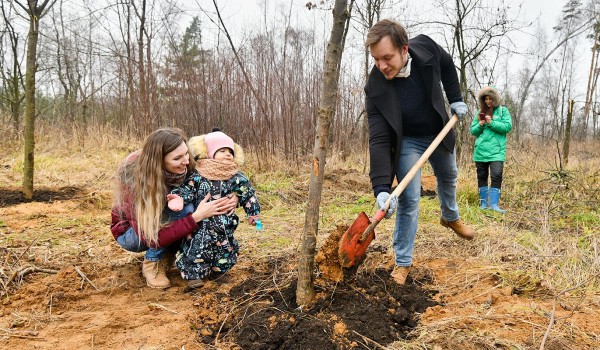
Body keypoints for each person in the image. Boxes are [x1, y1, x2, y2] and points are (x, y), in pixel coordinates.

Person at [364, 19, 475, 285]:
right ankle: (402, 263)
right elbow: (378, 138)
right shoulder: (375, 87)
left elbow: (448, 65)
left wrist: (456, 97)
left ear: (404, 49)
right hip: (408, 142)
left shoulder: (425, 48)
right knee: (409, 199)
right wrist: (380, 188)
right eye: (376, 59)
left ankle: (450, 217)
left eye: (387, 57)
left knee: (449, 174)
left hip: (438, 130)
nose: (382, 65)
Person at [110, 127, 238, 289]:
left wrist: (235, 195)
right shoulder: (133, 177)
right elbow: (150, 235)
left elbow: (221, 171)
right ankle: (153, 262)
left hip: (165, 221)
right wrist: (196, 217)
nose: (186, 160)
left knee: (198, 205)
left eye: (186, 153)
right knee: (188, 210)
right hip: (133, 233)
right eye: (177, 158)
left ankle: (171, 255)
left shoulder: (187, 162)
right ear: (159, 161)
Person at [167, 129, 261, 288]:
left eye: (230, 151)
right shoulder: (199, 175)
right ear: (209, 153)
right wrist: (178, 198)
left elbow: (248, 194)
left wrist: (253, 213)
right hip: (201, 225)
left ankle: (219, 271)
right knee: (196, 250)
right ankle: (194, 276)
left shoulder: (236, 177)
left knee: (225, 248)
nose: (227, 154)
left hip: (225, 224)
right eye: (222, 151)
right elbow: (187, 189)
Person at [470, 86, 512, 213]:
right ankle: (484, 204)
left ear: (495, 98)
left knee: (497, 174)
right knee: (482, 176)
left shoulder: (502, 111)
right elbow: (473, 131)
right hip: (481, 150)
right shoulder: (479, 112)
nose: (488, 101)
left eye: (490, 98)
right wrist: (481, 124)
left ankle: (494, 204)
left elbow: (507, 127)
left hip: (497, 151)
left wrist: (491, 122)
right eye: (486, 99)